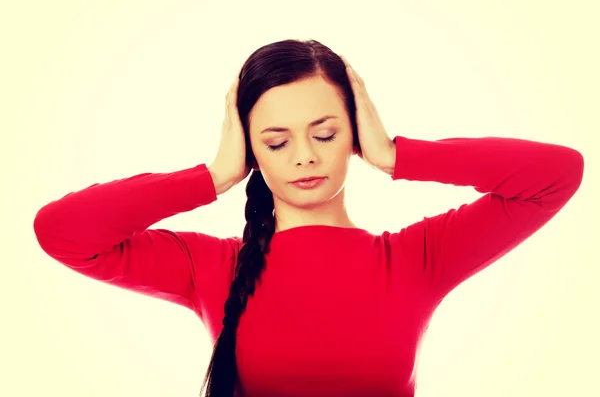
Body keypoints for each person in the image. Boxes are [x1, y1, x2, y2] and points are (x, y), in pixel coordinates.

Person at [33, 39, 585, 397]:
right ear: (250, 149)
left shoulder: (418, 257)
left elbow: (555, 175)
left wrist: (397, 155)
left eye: (325, 133)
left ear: (354, 133)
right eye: (275, 142)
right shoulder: (210, 266)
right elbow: (63, 232)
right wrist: (215, 176)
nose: (304, 156)